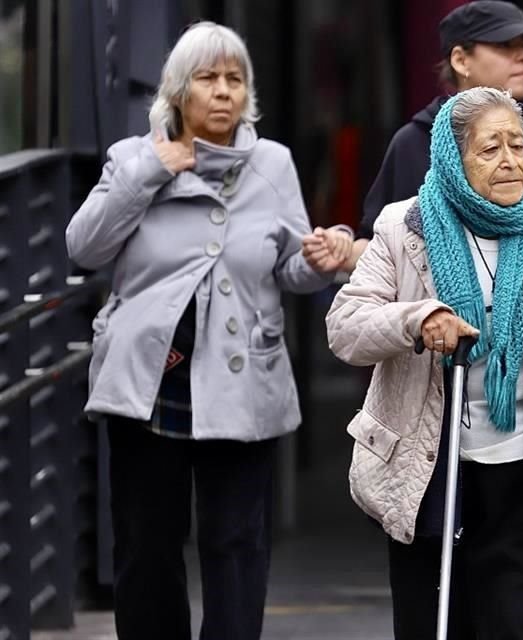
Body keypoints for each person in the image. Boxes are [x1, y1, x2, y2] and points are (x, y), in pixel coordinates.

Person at [65, 22, 353, 640]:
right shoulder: (132, 159)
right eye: (207, 78)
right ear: (177, 92)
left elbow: (291, 268)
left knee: (237, 543)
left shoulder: (272, 162)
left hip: (240, 377)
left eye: (235, 79)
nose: (223, 91)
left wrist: (323, 256)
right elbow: (83, 247)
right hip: (151, 380)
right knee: (147, 544)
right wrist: (150, 168)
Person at [326, 87, 523, 640]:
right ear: (453, 159)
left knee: (522, 627)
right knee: (435, 628)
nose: (509, 162)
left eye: (518, 146)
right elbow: (346, 327)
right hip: (431, 472)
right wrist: (418, 319)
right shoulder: (403, 228)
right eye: (489, 149)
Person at [343, 0, 523, 270]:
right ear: (460, 60)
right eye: (505, 45)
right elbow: (379, 242)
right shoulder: (413, 141)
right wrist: (340, 248)